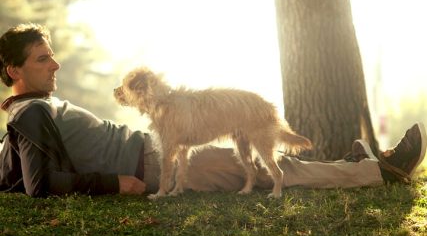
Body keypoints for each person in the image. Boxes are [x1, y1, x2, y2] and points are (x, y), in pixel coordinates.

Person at [0, 23, 425, 197]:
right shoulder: (31, 114)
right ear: (13, 69)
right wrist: (114, 183)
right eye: (42, 59)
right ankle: (378, 171)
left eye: (52, 55)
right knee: (264, 169)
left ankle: (351, 163)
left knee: (260, 158)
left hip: (154, 149)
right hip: (152, 163)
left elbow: (16, 174)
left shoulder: (29, 114)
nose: (55, 64)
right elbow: (40, 185)